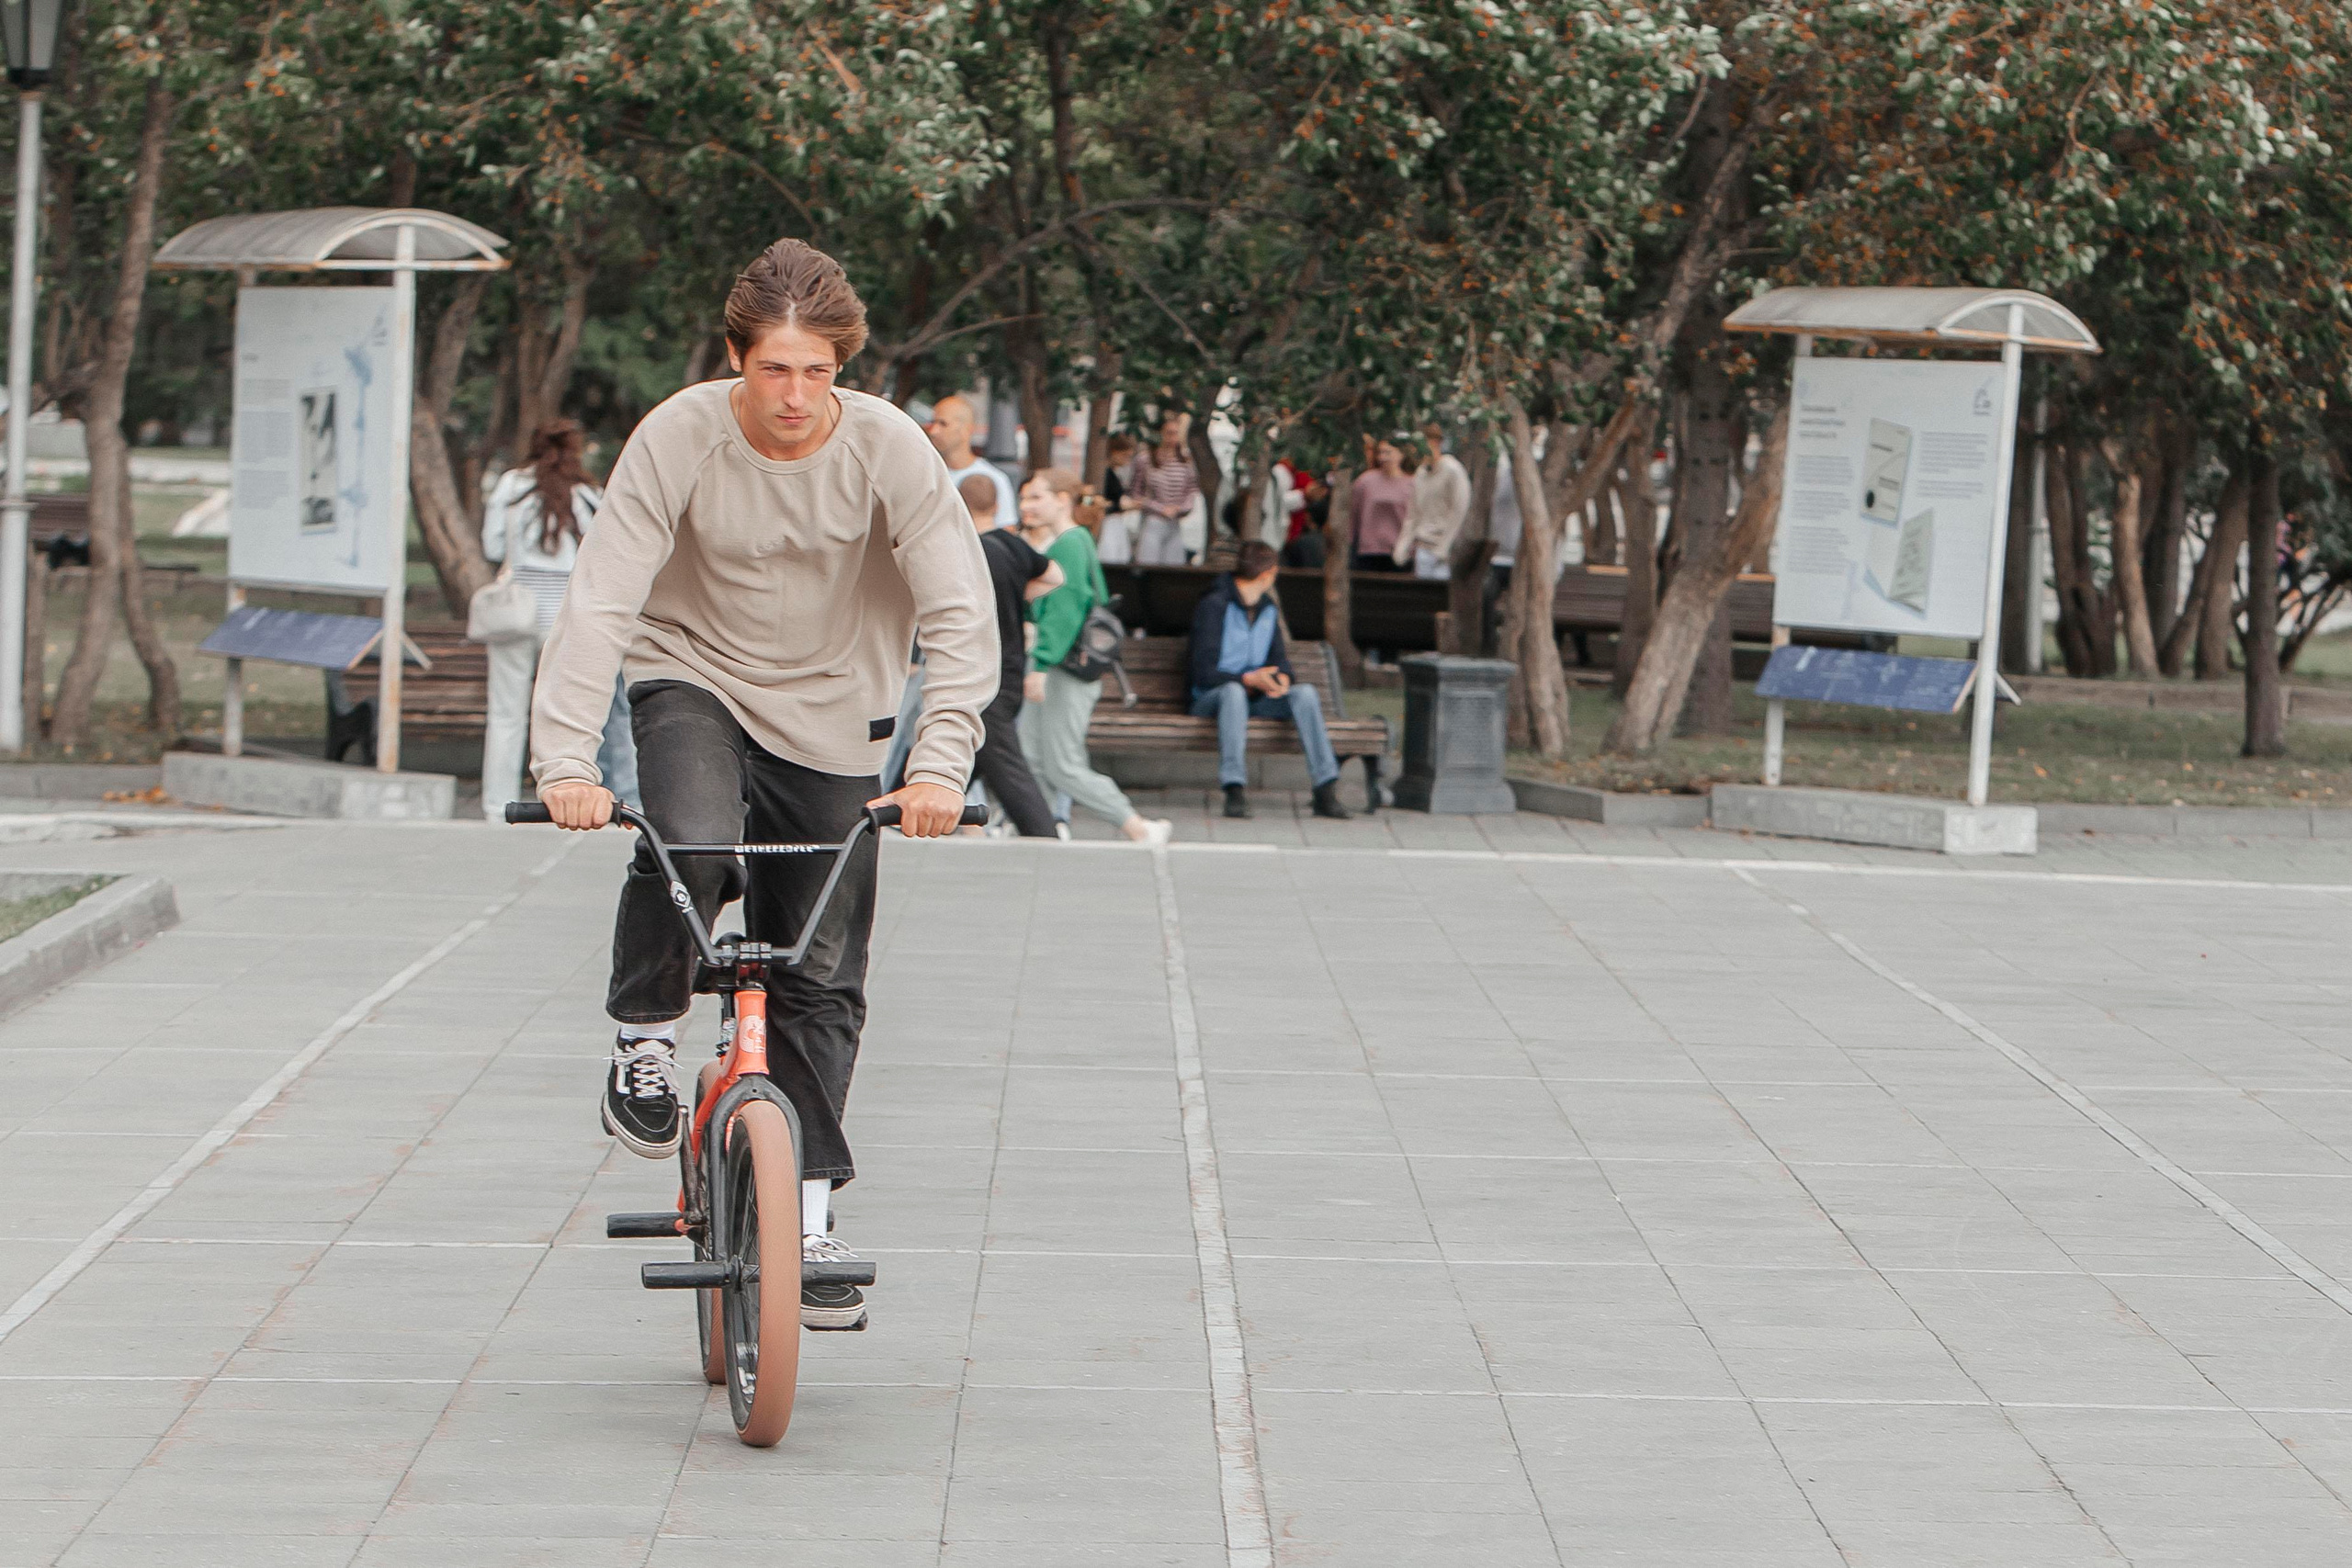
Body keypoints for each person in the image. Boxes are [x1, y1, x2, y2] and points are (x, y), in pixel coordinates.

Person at [528, 238, 997, 1333]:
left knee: (822, 970)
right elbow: (600, 600)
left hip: (836, 711)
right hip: (691, 670)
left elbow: (960, 614)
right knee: (691, 842)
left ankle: (810, 1214)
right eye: (772, 369)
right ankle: (645, 1033)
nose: (794, 396)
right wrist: (563, 761)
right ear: (735, 356)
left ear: (845, 367)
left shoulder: (889, 450)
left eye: (817, 372)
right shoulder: (680, 437)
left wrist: (939, 764)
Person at [478, 419, 639, 821]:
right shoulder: (588, 493)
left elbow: (492, 543)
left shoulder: (512, 486)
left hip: (519, 614)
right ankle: (610, 799)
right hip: (572, 620)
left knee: (507, 713)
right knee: (589, 713)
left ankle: (498, 806)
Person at [1016, 467, 1174, 845]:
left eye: (1036, 497)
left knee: (1060, 763)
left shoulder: (1067, 544)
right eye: (1024, 497)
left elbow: (1065, 610)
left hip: (1064, 668)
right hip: (1068, 666)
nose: (1026, 505)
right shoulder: (1076, 540)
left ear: (1062, 501)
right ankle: (1041, 828)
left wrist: (1039, 664)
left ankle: (1135, 826)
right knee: (1033, 755)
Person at [1189, 539, 1352, 822]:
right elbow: (1203, 671)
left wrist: (1281, 681)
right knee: (1233, 692)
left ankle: (1325, 788)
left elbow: (1281, 662)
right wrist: (1248, 679)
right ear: (1267, 574)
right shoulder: (1214, 605)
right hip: (1212, 698)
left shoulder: (1267, 609)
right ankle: (1234, 789)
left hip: (1256, 698)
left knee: (1305, 694)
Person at [960, 471, 1063, 839]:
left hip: (983, 674)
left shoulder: (968, 550)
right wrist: (1019, 593)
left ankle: (1043, 832)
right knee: (962, 752)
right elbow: (1055, 577)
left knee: (1001, 760)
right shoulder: (1012, 545)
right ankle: (903, 806)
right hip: (1011, 669)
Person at [925, 392, 1017, 525]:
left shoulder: (994, 478)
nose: (933, 431)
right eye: (932, 423)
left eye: (943, 424)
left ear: (966, 429)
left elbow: (1004, 532)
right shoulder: (926, 474)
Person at [1395, 423, 1471, 580]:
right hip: (1423, 548)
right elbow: (1413, 514)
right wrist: (1403, 544)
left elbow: (1460, 509)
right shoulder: (1421, 474)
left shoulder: (1452, 470)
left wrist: (1445, 546)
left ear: (1435, 442)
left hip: (1446, 552)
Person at [1129, 412, 1201, 565]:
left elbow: (1191, 492)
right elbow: (1136, 493)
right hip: (1153, 520)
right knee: (1147, 563)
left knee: (1174, 565)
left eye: (1176, 434)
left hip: (1175, 522)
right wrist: (1160, 508)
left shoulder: (1186, 462)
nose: (1172, 438)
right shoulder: (1146, 459)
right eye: (1169, 433)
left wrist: (1180, 508)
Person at [1350, 436, 1416, 572]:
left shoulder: (1412, 484)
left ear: (1401, 454)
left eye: (1388, 453)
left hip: (1400, 552)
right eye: (1380, 453)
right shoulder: (1365, 481)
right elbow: (1353, 515)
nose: (1383, 457)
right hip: (1369, 551)